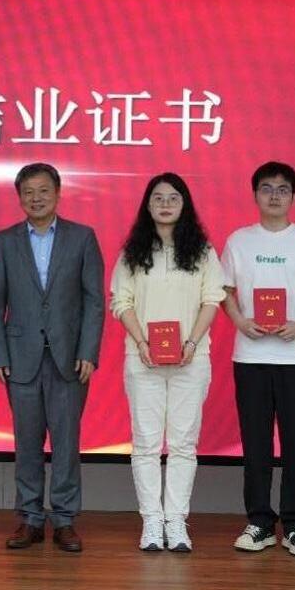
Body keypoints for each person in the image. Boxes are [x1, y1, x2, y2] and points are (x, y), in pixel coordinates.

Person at [0, 162, 104, 552]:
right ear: (19, 197)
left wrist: (88, 351)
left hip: (69, 359)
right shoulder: (4, 241)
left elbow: (94, 300)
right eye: (28, 192)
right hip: (20, 358)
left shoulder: (82, 238)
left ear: (58, 193)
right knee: (27, 443)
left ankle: (65, 520)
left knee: (66, 443)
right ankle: (30, 518)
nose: (36, 198)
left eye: (43, 191)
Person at [222, 161, 295, 557]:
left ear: (294, 197)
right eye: (267, 189)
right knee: (256, 446)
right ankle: (259, 522)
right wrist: (241, 321)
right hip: (251, 357)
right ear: (255, 195)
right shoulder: (239, 241)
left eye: (282, 189)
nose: (274, 196)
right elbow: (225, 290)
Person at [110, 173, 224, 552]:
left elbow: (212, 299)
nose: (165, 204)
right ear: (147, 204)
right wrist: (142, 342)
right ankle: (151, 521)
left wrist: (192, 341)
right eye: (158, 198)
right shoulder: (133, 252)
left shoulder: (203, 251)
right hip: (142, 359)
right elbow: (121, 301)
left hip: (192, 359)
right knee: (145, 443)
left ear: (184, 204)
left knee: (183, 444)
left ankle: (176, 521)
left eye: (173, 198)